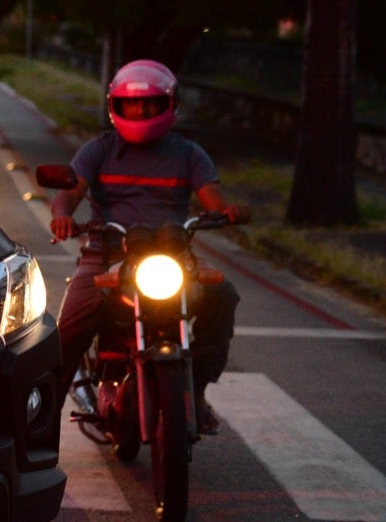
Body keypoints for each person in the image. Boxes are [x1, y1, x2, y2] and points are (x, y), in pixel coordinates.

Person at [49, 59, 250, 434]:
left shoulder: (189, 153)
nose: (140, 110)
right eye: (131, 104)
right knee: (66, 333)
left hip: (173, 255)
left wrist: (228, 212)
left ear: (169, 104)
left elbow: (214, 201)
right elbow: (68, 195)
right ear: (116, 106)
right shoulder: (98, 150)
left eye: (150, 103)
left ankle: (197, 387)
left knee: (224, 295)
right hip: (106, 255)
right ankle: (40, 426)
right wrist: (61, 215)